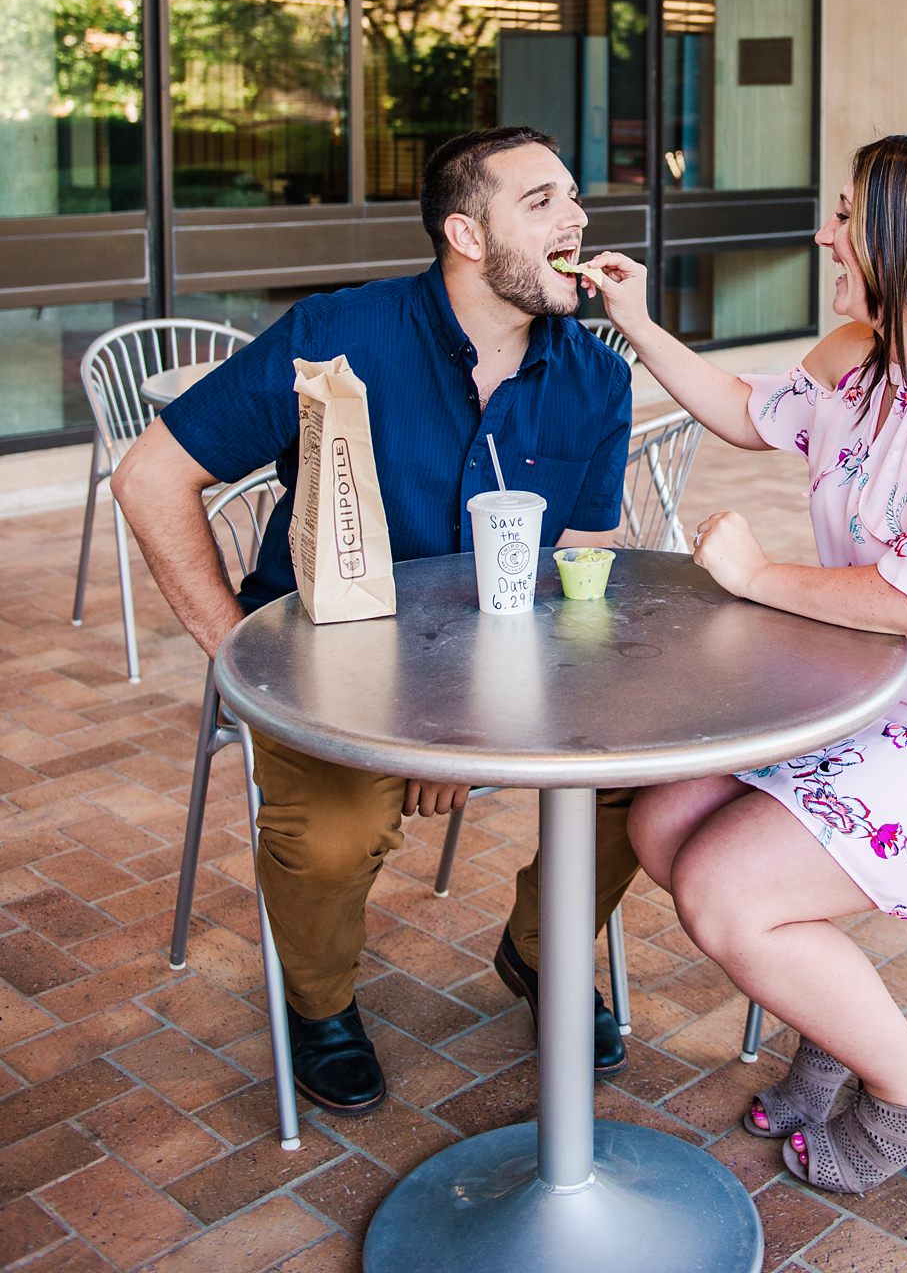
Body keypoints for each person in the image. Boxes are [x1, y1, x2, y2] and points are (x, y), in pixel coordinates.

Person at [578, 135, 907, 1194]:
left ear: (903, 238)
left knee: (727, 892)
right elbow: (742, 409)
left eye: (843, 213)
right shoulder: (853, 353)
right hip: (880, 703)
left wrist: (756, 575)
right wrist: (636, 321)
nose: (824, 230)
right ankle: (833, 1018)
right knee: (661, 819)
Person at [112, 127, 637, 1115]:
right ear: (464, 233)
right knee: (327, 836)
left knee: (649, 781)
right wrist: (237, 653)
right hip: (325, 668)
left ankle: (538, 949)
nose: (574, 217)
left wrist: (467, 724)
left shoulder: (596, 379)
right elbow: (151, 478)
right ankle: (317, 1005)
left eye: (572, 196)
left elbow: (585, 559)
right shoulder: (333, 333)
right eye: (539, 201)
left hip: (503, 674)